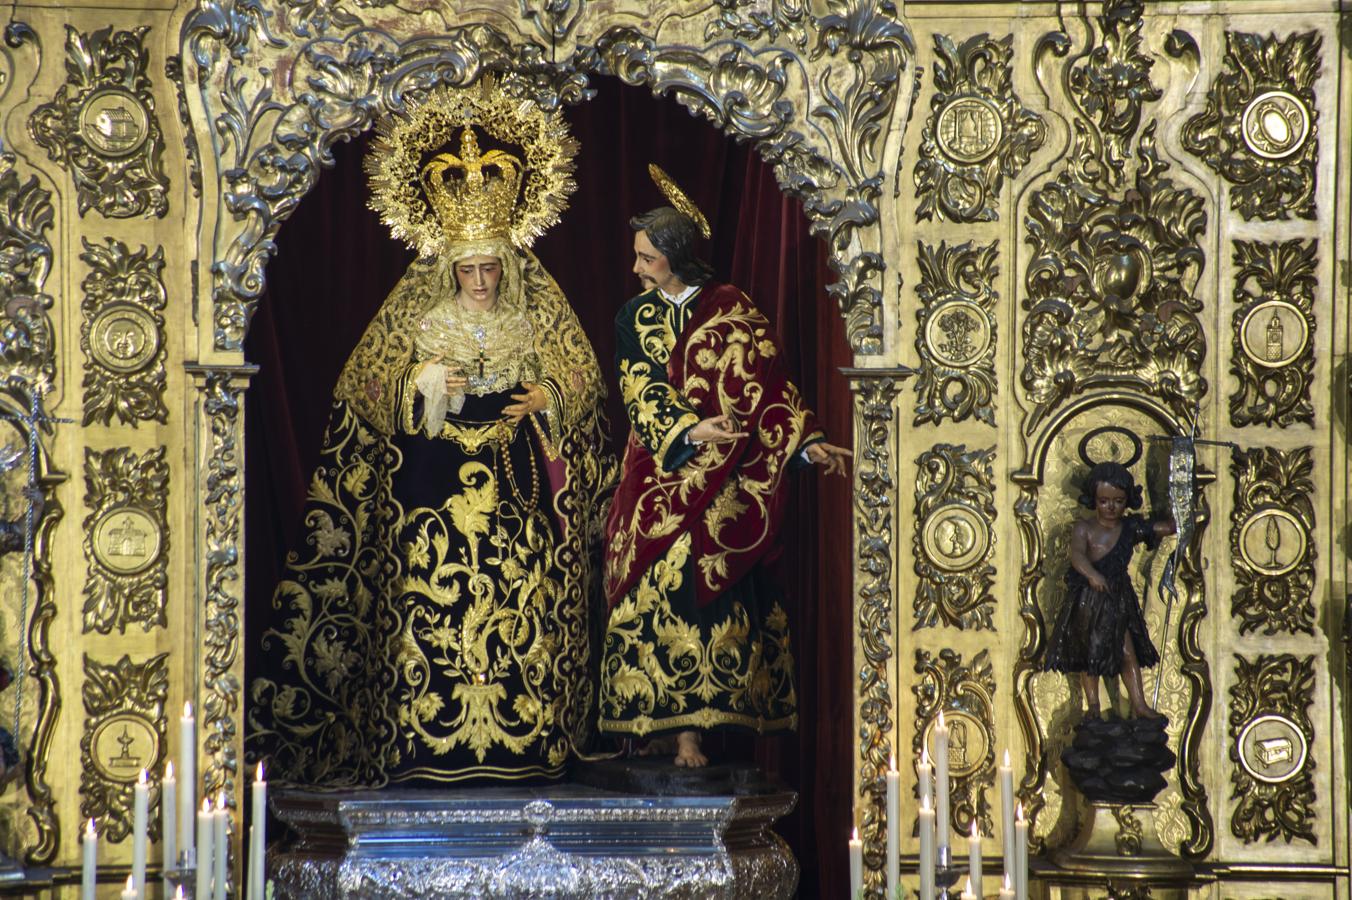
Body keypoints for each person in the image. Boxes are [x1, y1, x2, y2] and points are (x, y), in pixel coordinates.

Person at [248, 83, 611, 786]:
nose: (479, 281)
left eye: (489, 268)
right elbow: (372, 395)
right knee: (427, 597)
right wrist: (424, 389)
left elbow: (583, 382)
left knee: (523, 593)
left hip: (515, 482)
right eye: (468, 269)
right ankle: (423, 738)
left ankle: (528, 737)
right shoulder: (418, 321)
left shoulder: (535, 320)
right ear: (449, 269)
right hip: (431, 487)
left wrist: (547, 396)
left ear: (507, 266)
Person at [597, 167, 850, 767]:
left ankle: (695, 731)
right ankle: (654, 724)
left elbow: (770, 389)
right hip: (661, 473)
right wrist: (689, 429)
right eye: (637, 257)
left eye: (648, 259)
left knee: (710, 593)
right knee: (653, 590)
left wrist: (806, 443)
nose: (637, 269)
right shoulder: (635, 318)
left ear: (677, 257)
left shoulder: (734, 310)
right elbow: (639, 388)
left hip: (728, 479)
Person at [1045, 461, 1176, 720]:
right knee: (1090, 654)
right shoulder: (1084, 528)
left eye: (1118, 500)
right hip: (1090, 600)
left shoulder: (1128, 527)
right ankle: (1092, 706)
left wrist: (1182, 504)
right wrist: (1092, 574)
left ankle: (1139, 704)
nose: (1111, 507)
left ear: (1127, 500)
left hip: (1118, 598)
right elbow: (1078, 556)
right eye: (1104, 501)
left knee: (1127, 652)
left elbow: (1166, 528)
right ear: (1094, 499)